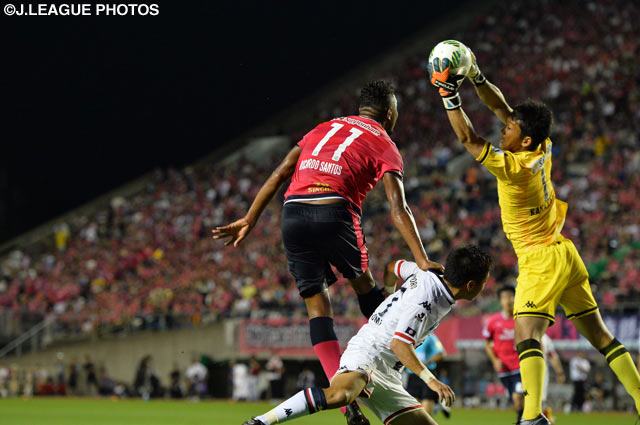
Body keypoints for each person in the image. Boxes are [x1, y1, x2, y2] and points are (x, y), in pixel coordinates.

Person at [428, 48, 640, 424]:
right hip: (565, 252)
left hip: (540, 258)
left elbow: (468, 138)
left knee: (525, 335)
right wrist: (477, 76)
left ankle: (532, 416)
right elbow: (502, 108)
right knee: (601, 336)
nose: (503, 129)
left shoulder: (515, 168)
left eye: (509, 129)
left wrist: (449, 95)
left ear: (524, 141)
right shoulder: (543, 145)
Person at [215, 80, 443, 425]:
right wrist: (422, 259)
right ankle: (374, 368)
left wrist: (250, 218)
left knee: (317, 307)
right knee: (365, 286)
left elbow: (281, 172)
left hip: (292, 212)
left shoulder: (323, 127)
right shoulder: (385, 143)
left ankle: (345, 403)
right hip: (335, 209)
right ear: (389, 113)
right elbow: (399, 208)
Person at [242, 244, 493, 425]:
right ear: (471, 285)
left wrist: (389, 293)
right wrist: (432, 380)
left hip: (389, 372)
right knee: (340, 395)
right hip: (369, 354)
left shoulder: (428, 272)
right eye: (484, 281)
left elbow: (392, 267)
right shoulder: (427, 301)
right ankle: (261, 422)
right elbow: (399, 345)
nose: (484, 286)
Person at [482, 285, 523, 421]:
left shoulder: (521, 319)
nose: (509, 300)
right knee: (514, 400)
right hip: (504, 369)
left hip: (520, 367)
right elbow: (487, 343)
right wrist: (495, 360)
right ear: (500, 301)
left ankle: (522, 421)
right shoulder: (493, 321)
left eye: (511, 296)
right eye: (505, 297)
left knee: (518, 397)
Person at [405, 333, 451, 418]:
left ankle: (436, 402)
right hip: (412, 375)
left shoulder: (430, 337)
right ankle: (438, 403)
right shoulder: (408, 336)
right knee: (413, 413)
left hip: (427, 374)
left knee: (426, 414)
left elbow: (441, 353)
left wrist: (427, 362)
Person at [540, 334, 565, 424]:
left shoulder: (545, 338)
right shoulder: (523, 333)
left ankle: (544, 417)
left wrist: (560, 373)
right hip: (523, 373)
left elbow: (552, 356)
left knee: (540, 400)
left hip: (541, 374)